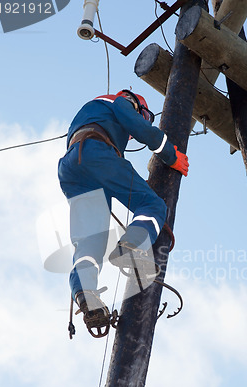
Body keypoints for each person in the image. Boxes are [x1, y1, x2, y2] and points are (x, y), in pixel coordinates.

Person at [58, 89, 189, 333]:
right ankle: (132, 246)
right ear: (136, 104)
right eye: (145, 115)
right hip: (95, 152)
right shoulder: (120, 102)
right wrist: (169, 154)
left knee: (90, 244)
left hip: (72, 169)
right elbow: (134, 123)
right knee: (152, 205)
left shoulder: (91, 113)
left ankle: (86, 296)